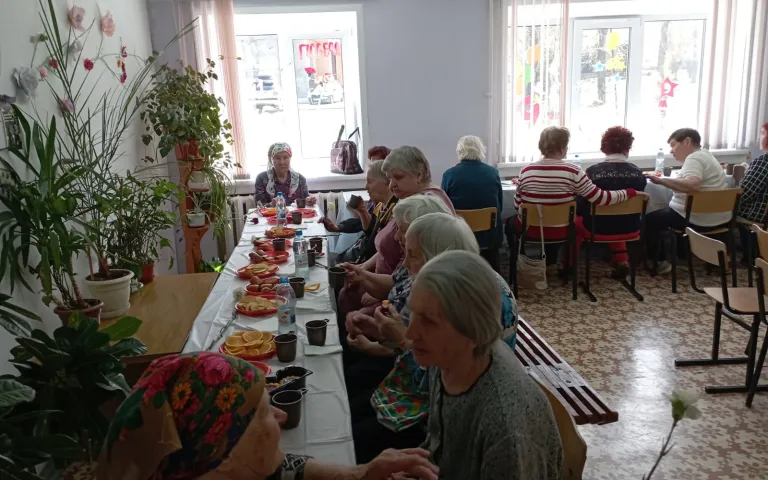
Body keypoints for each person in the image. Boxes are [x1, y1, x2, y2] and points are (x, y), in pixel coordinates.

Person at [97, 352, 439, 480]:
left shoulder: (208, 466)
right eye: (262, 413)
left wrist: (360, 473)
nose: (279, 416)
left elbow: (281, 469)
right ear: (223, 456)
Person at [345, 213, 518, 464]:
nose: (405, 264)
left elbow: (430, 384)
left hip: (435, 412)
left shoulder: (462, 299)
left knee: (353, 431)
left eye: (412, 254)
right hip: (435, 400)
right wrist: (382, 332)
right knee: (349, 409)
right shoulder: (464, 281)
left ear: (438, 256)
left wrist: (400, 341)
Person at [409, 251, 563, 478]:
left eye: (429, 321)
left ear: (473, 330)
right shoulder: (445, 359)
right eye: (413, 314)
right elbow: (437, 448)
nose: (410, 333)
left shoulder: (505, 431)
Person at [341, 195, 454, 393]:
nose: (396, 237)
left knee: (351, 376)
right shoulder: (423, 261)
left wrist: (375, 346)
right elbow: (394, 284)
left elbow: (430, 368)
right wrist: (362, 275)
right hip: (401, 353)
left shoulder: (440, 289)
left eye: (401, 229)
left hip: (413, 375)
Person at [514, 126, 640, 264]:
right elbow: (601, 198)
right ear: (563, 148)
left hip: (530, 229)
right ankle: (565, 266)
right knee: (573, 220)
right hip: (563, 230)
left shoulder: (525, 171)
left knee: (512, 224)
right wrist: (629, 192)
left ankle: (524, 262)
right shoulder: (574, 171)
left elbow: (517, 205)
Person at [645, 128, 729, 274]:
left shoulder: (693, 158)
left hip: (695, 218)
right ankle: (712, 259)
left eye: (673, 145)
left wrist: (662, 181)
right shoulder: (707, 155)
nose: (671, 150)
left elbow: (693, 184)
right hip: (719, 218)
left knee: (649, 221)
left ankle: (659, 263)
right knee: (665, 214)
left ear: (687, 141)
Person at [577, 126, 647, 279]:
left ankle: (569, 267)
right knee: (617, 216)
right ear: (628, 147)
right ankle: (622, 261)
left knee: (574, 220)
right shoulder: (638, 173)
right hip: (631, 227)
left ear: (604, 147)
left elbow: (583, 205)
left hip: (596, 229)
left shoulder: (592, 172)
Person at [441, 135, 504, 271]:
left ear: (459, 152)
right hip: (489, 236)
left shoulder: (449, 174)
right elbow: (500, 206)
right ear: (481, 151)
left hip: (460, 236)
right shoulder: (493, 172)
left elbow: (444, 208)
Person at [736, 123, 768, 223]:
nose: (759, 137)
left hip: (756, 215)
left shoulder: (764, 161)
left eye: (762, 133)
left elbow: (744, 193)